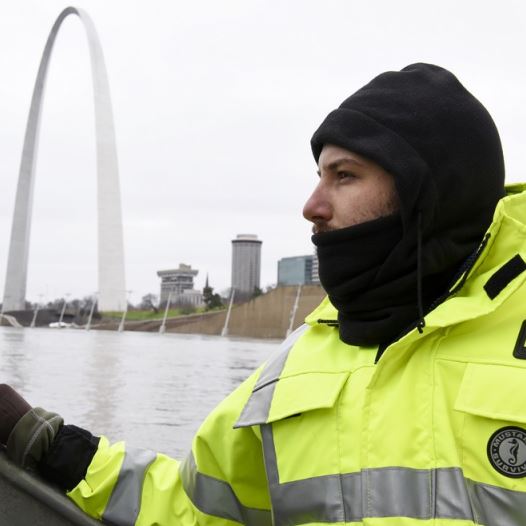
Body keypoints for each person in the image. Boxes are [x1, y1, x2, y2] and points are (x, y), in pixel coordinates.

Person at [1, 62, 525, 525]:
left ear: (425, 193)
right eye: (319, 176)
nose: (311, 205)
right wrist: (43, 439)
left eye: (344, 176)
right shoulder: (290, 370)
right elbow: (195, 508)